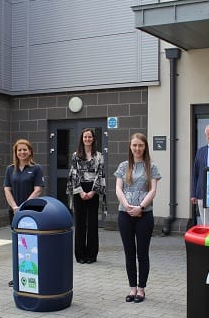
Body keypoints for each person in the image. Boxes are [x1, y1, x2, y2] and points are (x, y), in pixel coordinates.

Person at [114, 133, 161, 304]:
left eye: (140, 145)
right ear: (130, 147)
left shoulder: (152, 167)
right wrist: (127, 206)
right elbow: (119, 189)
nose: (137, 148)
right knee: (129, 253)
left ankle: (141, 289)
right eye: (134, 145)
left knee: (142, 253)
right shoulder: (123, 166)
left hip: (144, 215)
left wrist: (140, 207)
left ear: (145, 147)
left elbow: (153, 191)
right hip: (124, 214)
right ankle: (132, 287)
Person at [4, 139, 45, 286]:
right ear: (16, 152)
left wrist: (23, 206)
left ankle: (32, 275)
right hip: (14, 212)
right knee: (18, 245)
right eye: (19, 150)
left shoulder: (36, 168)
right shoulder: (10, 169)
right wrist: (15, 207)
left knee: (31, 245)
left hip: (31, 213)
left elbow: (38, 189)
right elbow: (7, 189)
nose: (22, 152)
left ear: (30, 151)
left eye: (25, 150)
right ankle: (18, 276)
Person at [67, 128, 106, 264]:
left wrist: (93, 191)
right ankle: (80, 255)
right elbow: (74, 174)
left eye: (90, 137)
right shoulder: (75, 155)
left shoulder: (99, 156)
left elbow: (100, 175)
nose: (87, 139)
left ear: (93, 139)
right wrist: (81, 191)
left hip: (93, 191)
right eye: (85, 137)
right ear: (82, 139)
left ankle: (91, 255)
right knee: (80, 223)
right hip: (80, 191)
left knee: (93, 223)